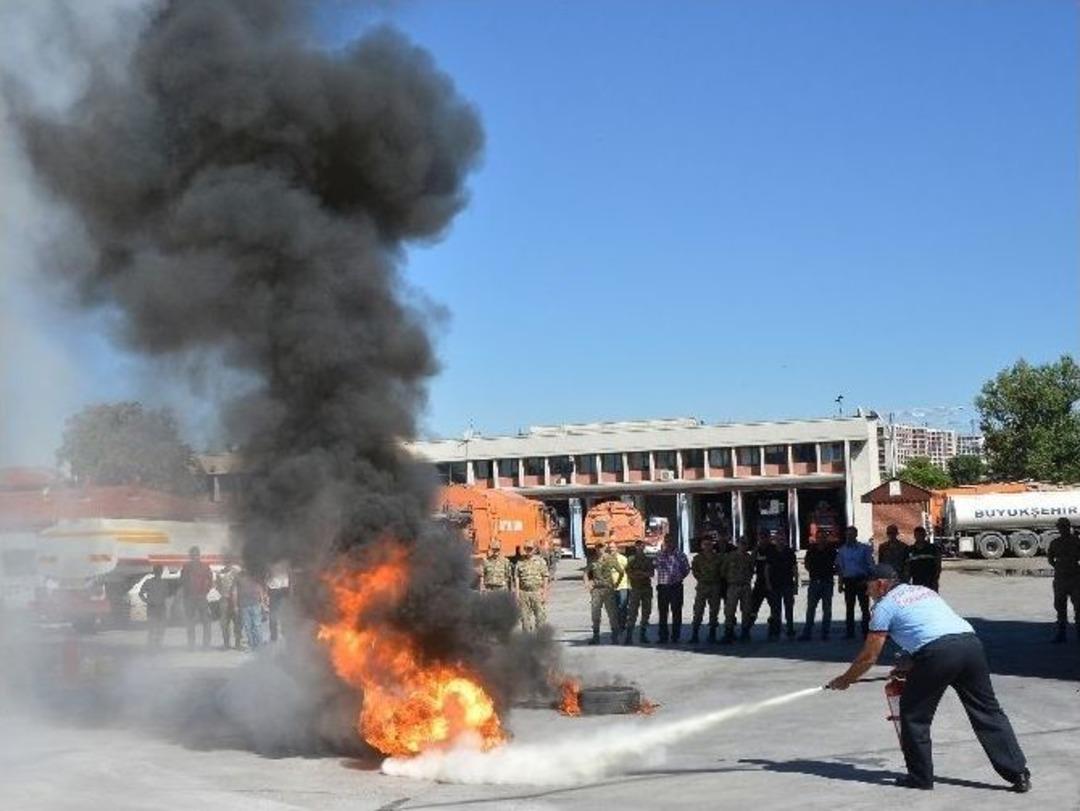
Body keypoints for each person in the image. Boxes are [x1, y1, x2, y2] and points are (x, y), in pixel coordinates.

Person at [827, 564, 1030, 793]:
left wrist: (846, 679)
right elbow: (934, 629)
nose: (867, 592)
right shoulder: (923, 591)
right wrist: (912, 665)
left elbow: (869, 656)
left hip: (937, 655)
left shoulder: (884, 607)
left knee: (913, 715)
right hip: (970, 646)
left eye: (868, 587)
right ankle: (1019, 773)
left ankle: (920, 777)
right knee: (988, 711)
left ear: (881, 584)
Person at [836, 526, 874, 638]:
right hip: (849, 581)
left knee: (864, 608)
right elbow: (840, 568)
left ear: (856, 535)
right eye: (848, 534)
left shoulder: (864, 548)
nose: (850, 536)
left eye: (852, 534)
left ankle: (866, 631)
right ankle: (850, 632)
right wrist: (840, 583)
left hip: (862, 580)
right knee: (849, 607)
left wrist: (869, 580)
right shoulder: (842, 550)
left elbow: (870, 564)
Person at [799, 530, 837, 640]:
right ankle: (807, 632)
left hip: (827, 582)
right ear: (816, 538)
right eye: (819, 537)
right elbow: (806, 563)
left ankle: (825, 633)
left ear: (826, 538)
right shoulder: (811, 550)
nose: (821, 539)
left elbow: (837, 564)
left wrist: (832, 573)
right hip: (814, 582)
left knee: (827, 609)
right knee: (811, 608)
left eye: (823, 537)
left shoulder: (832, 550)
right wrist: (813, 572)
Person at [1048, 517, 1080, 643]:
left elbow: (1051, 560)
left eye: (1063, 527)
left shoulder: (1075, 541)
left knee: (1078, 607)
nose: (1062, 529)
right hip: (1063, 578)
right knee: (1060, 607)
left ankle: (1074, 634)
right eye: (1061, 527)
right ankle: (1061, 634)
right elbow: (1050, 558)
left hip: (1074, 578)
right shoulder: (1056, 543)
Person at [654, 536, 690, 643]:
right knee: (663, 613)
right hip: (663, 587)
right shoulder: (659, 555)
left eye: (671, 541)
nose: (669, 543)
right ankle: (663, 636)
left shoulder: (680, 555)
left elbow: (686, 569)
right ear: (664, 542)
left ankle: (675, 636)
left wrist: (678, 578)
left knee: (676, 612)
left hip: (676, 587)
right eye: (667, 541)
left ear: (674, 542)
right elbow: (655, 566)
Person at [689, 536, 723, 644]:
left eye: (709, 544)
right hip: (702, 587)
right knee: (698, 611)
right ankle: (695, 635)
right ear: (701, 545)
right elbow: (695, 571)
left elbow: (722, 571)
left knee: (714, 611)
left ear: (712, 545)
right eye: (705, 544)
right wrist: (703, 578)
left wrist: (715, 579)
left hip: (715, 587)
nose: (707, 546)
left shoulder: (718, 558)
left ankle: (712, 634)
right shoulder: (698, 558)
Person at [720, 536, 755, 643]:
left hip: (745, 586)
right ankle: (729, 632)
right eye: (741, 543)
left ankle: (745, 632)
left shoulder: (748, 557)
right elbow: (723, 571)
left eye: (745, 543)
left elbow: (751, 570)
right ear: (737, 544)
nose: (743, 545)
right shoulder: (730, 556)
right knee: (730, 610)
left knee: (746, 610)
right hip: (733, 586)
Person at [585, 544, 621, 644]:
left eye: (601, 547)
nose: (599, 549)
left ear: (605, 548)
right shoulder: (593, 560)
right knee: (595, 613)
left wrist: (617, 584)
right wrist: (587, 583)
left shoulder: (610, 559)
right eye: (597, 547)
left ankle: (615, 637)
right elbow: (586, 572)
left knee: (612, 613)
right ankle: (596, 637)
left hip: (608, 589)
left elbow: (621, 571)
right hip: (596, 590)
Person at [179, 546, 213, 651]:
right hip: (194, 597)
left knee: (200, 622)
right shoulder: (188, 567)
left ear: (198, 555)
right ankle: (196, 645)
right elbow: (183, 582)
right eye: (193, 555)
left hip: (197, 597)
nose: (194, 557)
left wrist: (204, 592)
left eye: (195, 555)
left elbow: (210, 581)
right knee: (196, 622)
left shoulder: (199, 567)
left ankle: (199, 645)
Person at [749, 534, 781, 640]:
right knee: (752, 608)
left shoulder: (773, 549)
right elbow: (751, 565)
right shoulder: (756, 550)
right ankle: (746, 631)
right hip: (759, 583)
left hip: (772, 584)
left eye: (765, 537)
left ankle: (774, 632)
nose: (763, 540)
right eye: (761, 538)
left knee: (775, 609)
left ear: (769, 538)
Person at [623, 539, 655, 644]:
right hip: (635, 589)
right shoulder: (631, 559)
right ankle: (629, 636)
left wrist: (639, 573)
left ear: (644, 547)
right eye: (638, 546)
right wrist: (641, 574)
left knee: (646, 612)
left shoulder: (648, 559)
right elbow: (628, 573)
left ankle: (643, 635)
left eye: (641, 546)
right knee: (632, 613)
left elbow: (651, 574)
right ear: (635, 547)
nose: (640, 547)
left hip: (646, 589)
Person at [515, 541, 551, 632]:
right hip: (524, 593)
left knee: (540, 618)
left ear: (534, 549)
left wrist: (545, 593)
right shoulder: (520, 562)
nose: (528, 551)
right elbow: (517, 578)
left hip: (537, 592)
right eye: (527, 548)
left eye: (530, 549)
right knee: (525, 619)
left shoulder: (540, 561)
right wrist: (517, 593)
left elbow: (545, 577)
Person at [232, 568, 267, 650]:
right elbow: (235, 591)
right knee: (248, 626)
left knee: (257, 625)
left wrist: (262, 603)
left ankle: (259, 644)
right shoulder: (238, 576)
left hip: (255, 603)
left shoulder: (255, 574)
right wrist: (235, 605)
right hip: (243, 605)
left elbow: (260, 588)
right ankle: (252, 645)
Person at [770, 538, 799, 638]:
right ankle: (776, 630)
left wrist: (796, 584)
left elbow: (795, 569)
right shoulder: (771, 552)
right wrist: (768, 583)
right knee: (776, 610)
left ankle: (790, 629)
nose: (780, 541)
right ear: (775, 541)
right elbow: (766, 568)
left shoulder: (790, 552)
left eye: (782, 539)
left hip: (788, 584)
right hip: (775, 585)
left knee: (789, 609)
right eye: (778, 540)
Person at [139, 565, 170, 649]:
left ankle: (154, 645)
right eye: (159, 571)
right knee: (157, 628)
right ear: (161, 572)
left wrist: (147, 601)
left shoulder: (151, 582)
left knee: (154, 628)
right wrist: (147, 601)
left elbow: (140, 594)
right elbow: (166, 596)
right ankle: (155, 645)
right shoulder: (163, 583)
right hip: (157, 607)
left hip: (155, 607)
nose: (159, 572)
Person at [215, 563, 242, 650]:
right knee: (226, 623)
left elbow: (218, 587)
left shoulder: (235, 570)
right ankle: (228, 644)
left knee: (236, 622)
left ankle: (236, 643)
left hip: (233, 599)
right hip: (226, 600)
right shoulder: (221, 573)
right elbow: (218, 586)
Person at [907, 527, 943, 593]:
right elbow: (908, 566)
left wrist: (935, 579)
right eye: (917, 535)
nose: (919, 537)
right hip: (916, 582)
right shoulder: (910, 550)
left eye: (921, 535)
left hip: (930, 582)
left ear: (925, 535)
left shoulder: (933, 549)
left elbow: (938, 565)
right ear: (914, 536)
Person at [266, 564, 290, 643]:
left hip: (282, 590)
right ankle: (274, 636)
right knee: (274, 615)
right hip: (275, 590)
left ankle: (283, 634)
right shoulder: (272, 566)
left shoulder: (285, 567)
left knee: (282, 614)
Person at [611, 543, 631, 630]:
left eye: (613, 548)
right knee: (614, 607)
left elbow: (629, 571)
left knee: (622, 606)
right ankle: (617, 623)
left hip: (623, 586)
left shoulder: (623, 559)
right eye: (610, 548)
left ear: (617, 549)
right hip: (611, 587)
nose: (611, 549)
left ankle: (622, 624)